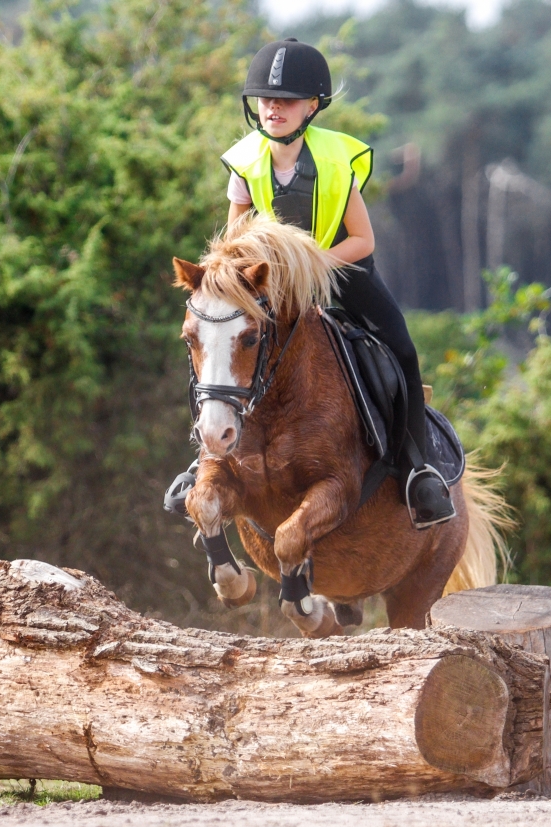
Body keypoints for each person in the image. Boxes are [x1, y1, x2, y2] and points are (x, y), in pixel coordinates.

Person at [165, 37, 454, 529]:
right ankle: (204, 460)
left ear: (312, 106)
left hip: (341, 272)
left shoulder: (336, 161)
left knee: (402, 350)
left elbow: (362, 240)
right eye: (266, 100)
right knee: (218, 340)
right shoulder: (244, 162)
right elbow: (235, 242)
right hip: (268, 283)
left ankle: (416, 469)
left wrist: (311, 266)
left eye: (287, 101)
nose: (273, 109)